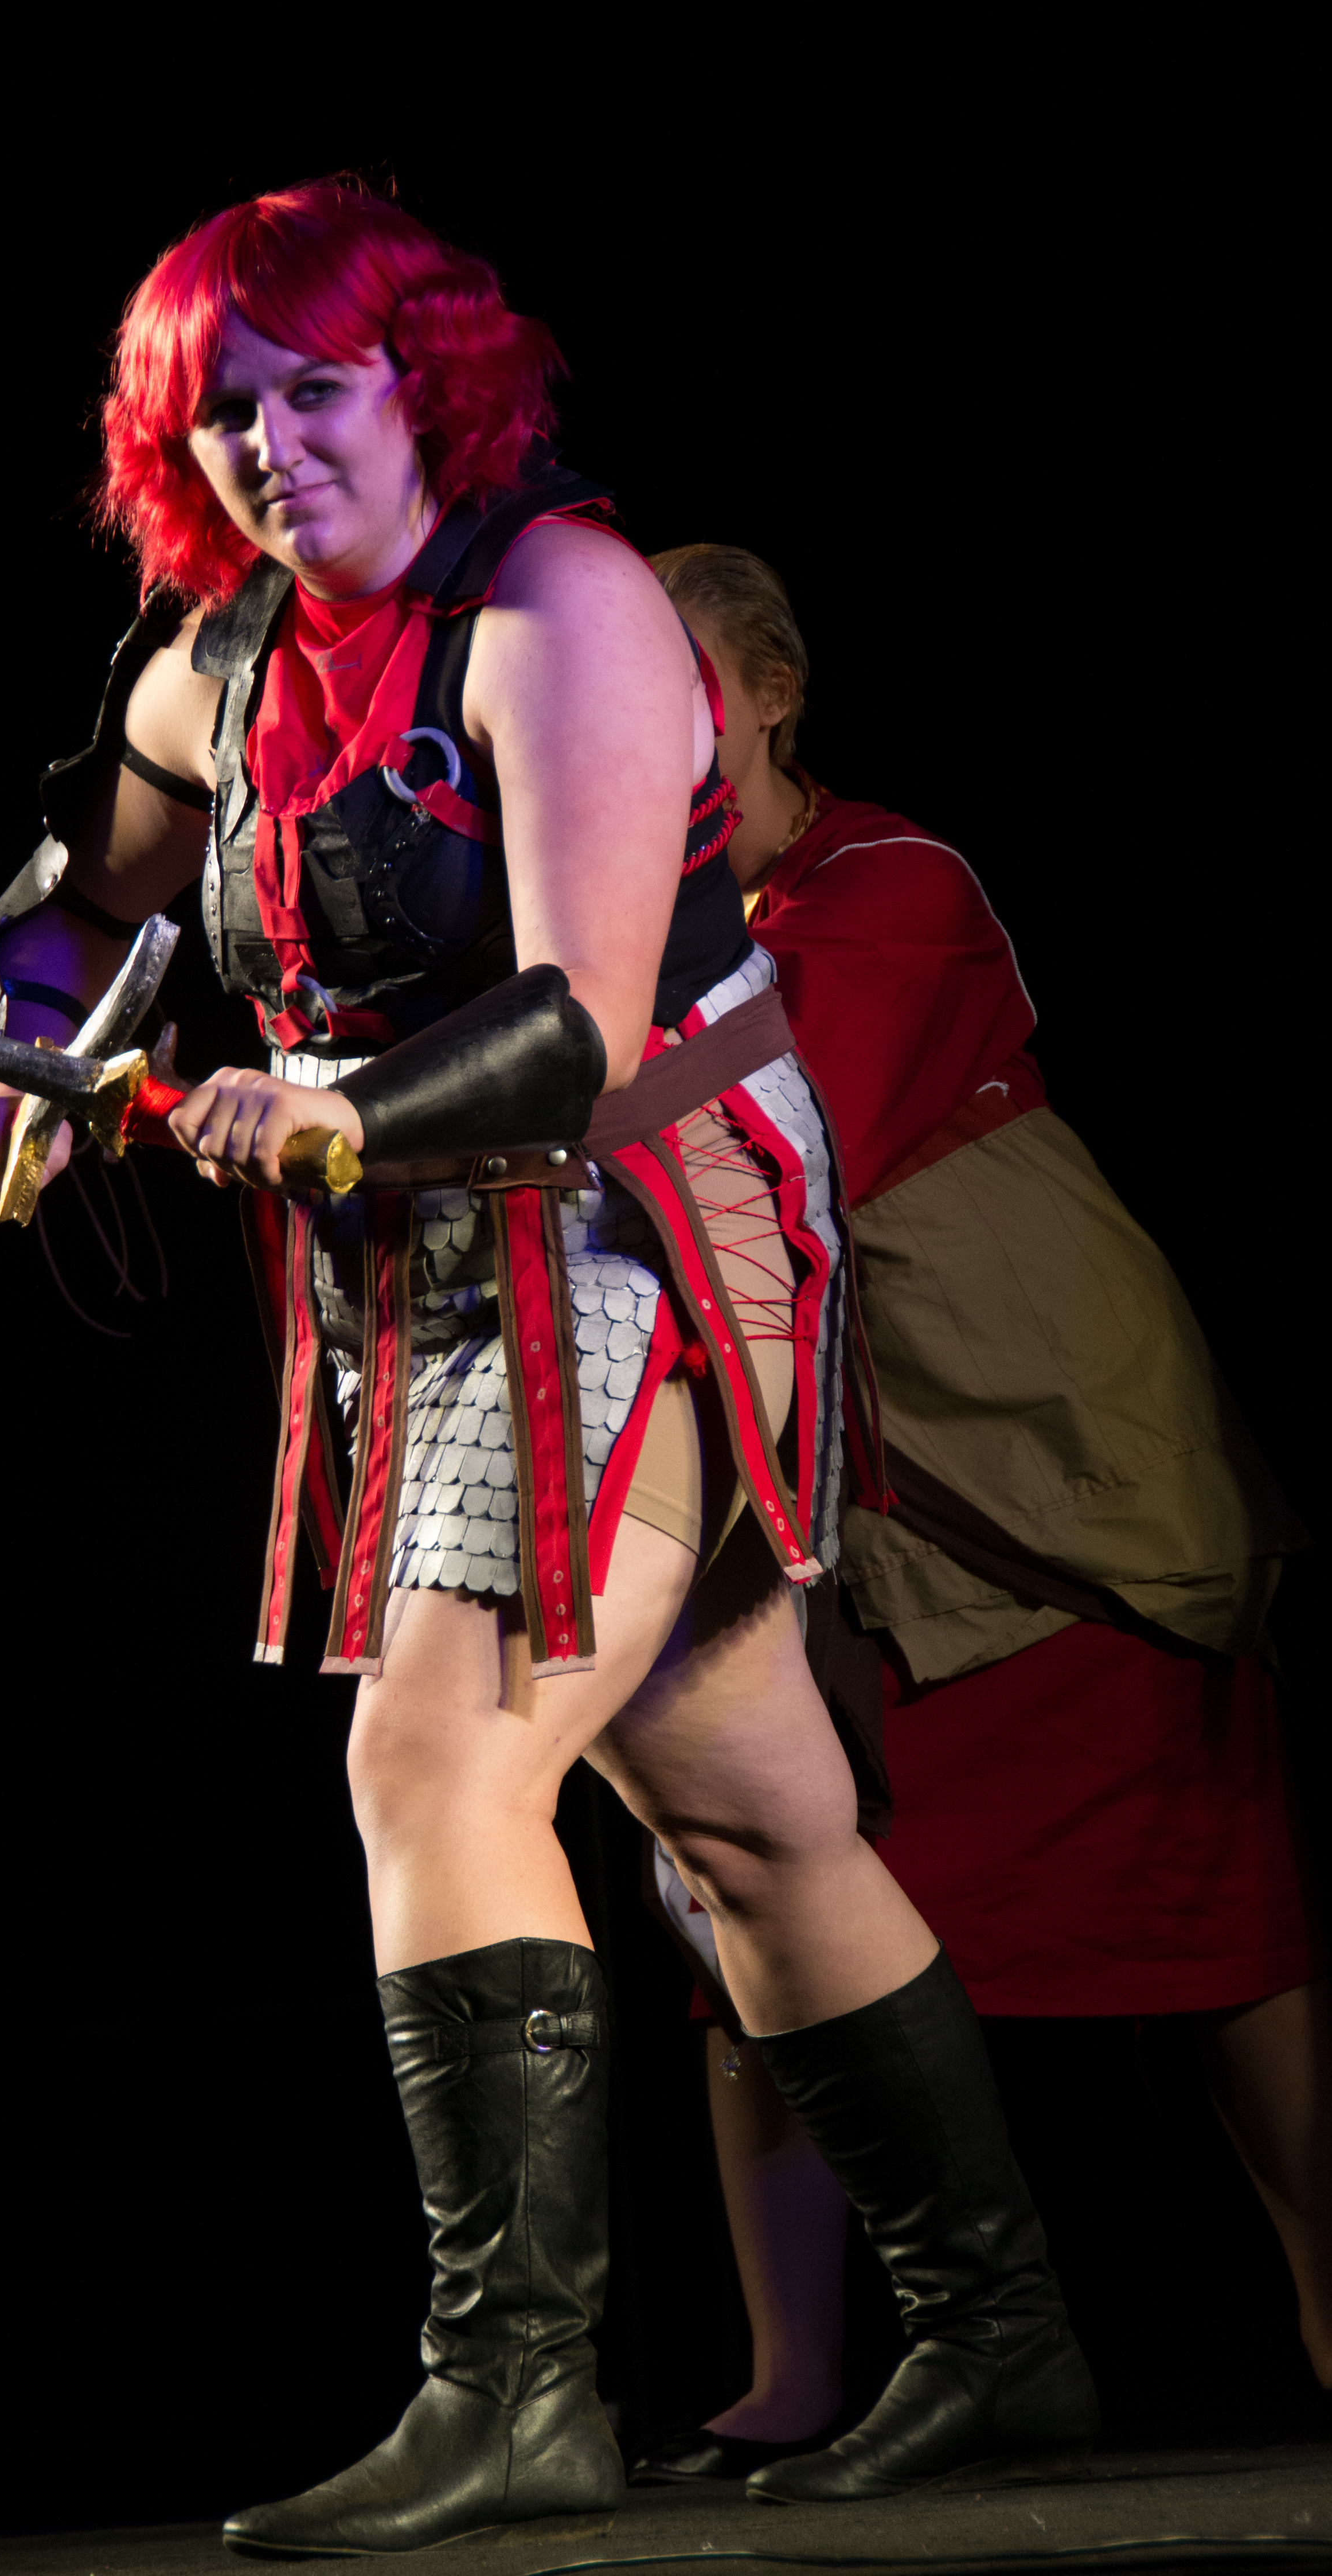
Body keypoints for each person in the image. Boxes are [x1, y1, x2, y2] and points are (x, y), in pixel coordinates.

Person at [0, 183, 1098, 2544]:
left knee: (439, 1754)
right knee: (748, 1808)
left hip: (639, 1218)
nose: (273, 447)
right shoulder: (219, 662)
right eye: (223, 412)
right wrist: (20, 1064)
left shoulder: (564, 610)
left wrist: (338, 1112)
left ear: (424, 381)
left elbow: (582, 1030)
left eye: (317, 389)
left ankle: (516, 2390)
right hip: (435, 1261)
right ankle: (1005, 2344)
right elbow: (83, 907)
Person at [627, 542, 1328, 2483]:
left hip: (1030, 1444)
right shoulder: (633, 915)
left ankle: (1327, 2313)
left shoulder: (889, 881)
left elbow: (770, 1141)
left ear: (775, 693)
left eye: (679, 688)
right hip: (833, 1484)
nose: (638, 733)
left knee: (1201, 1897)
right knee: (751, 1889)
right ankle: (789, 2373)